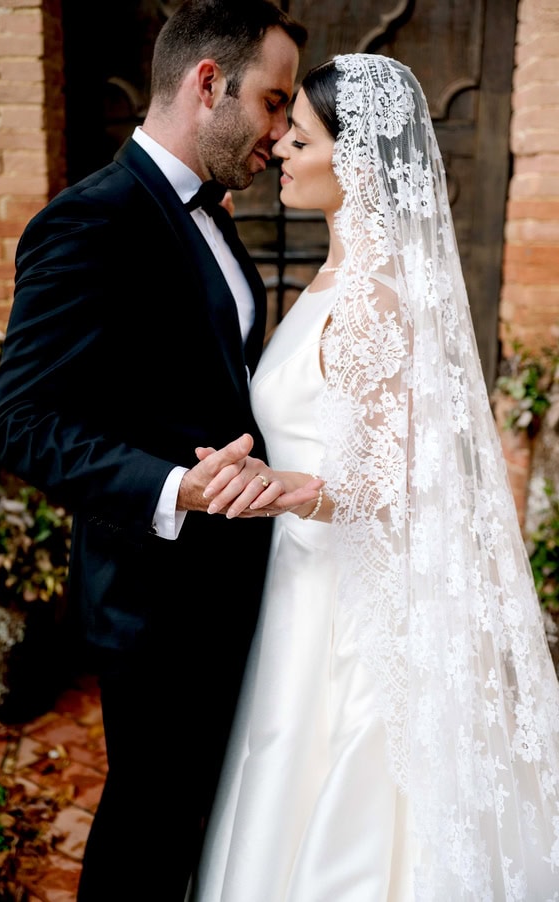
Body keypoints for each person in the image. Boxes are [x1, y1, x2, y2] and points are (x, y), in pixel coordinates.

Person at [192, 54, 559, 900]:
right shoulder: (332, 282)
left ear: (355, 160)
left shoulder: (376, 297)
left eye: (302, 139)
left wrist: (289, 489)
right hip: (299, 582)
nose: (280, 150)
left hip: (350, 604)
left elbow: (397, 484)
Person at [0, 2, 313, 899]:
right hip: (157, 601)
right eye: (273, 102)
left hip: (237, 588)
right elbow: (20, 422)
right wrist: (178, 488)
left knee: (199, 829)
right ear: (209, 83)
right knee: (145, 839)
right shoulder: (90, 220)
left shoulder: (210, 212)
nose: (280, 132)